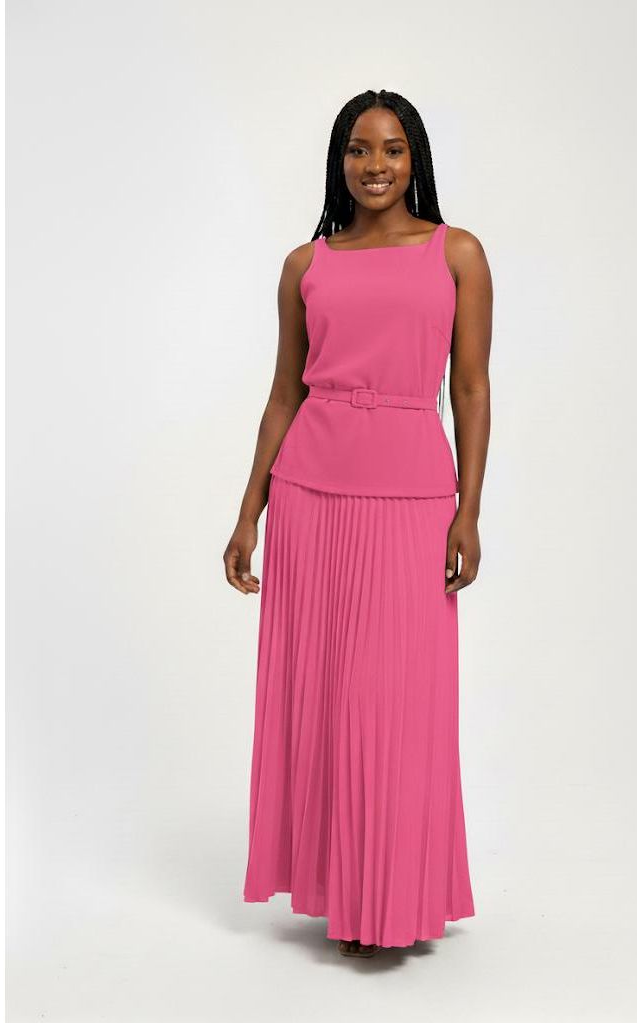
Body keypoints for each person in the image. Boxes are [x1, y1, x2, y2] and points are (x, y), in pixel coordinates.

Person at [224, 89, 492, 958]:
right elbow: (283, 394)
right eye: (357, 149)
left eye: (392, 148)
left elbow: (470, 389)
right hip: (309, 493)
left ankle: (393, 895)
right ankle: (343, 894)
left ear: (416, 159)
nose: (374, 165)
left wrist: (469, 510)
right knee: (328, 700)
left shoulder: (457, 253)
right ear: (338, 161)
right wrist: (248, 513)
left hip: (413, 497)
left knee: (394, 703)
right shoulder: (306, 264)